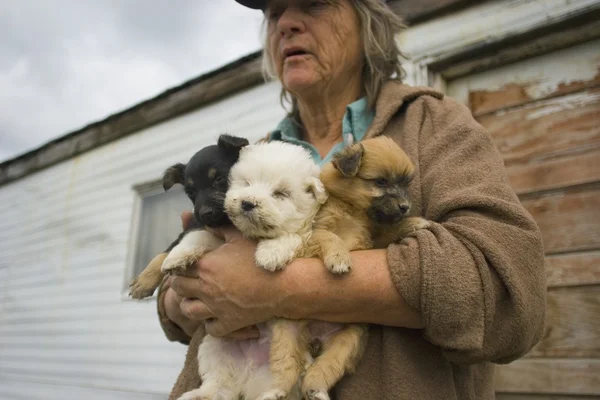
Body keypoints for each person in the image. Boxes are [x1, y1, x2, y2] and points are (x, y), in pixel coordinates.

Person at [156, 1, 547, 399]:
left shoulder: (434, 124)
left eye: (314, 4)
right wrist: (178, 300)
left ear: (369, 22)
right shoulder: (255, 156)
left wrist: (276, 287)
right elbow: (192, 294)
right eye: (273, 13)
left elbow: (509, 293)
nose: (287, 24)